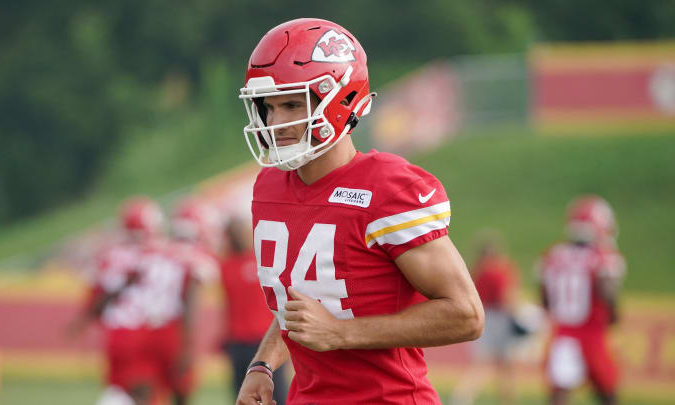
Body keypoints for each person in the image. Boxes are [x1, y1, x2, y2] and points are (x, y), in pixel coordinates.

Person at [236, 18, 484, 405]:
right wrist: (263, 365)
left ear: (339, 101)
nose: (275, 123)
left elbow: (466, 314)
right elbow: (302, 298)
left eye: (290, 104)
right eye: (268, 107)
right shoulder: (269, 188)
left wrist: (340, 333)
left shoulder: (387, 188)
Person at [69, 197, 201, 405]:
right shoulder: (177, 253)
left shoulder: (114, 255)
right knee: (172, 390)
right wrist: (188, 343)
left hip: (128, 331)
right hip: (166, 328)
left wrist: (81, 322)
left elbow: (98, 302)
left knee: (129, 392)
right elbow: (191, 292)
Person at [538, 195, 625, 405]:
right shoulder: (602, 256)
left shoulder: (553, 254)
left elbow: (545, 296)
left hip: (563, 332)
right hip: (591, 332)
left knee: (559, 393)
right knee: (607, 391)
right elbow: (606, 290)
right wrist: (613, 314)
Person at [219, 215, 289, 404]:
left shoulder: (262, 261)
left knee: (277, 395)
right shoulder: (224, 265)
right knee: (243, 395)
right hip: (238, 341)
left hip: (265, 340)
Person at [450, 232, 521, 405]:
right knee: (501, 363)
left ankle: (464, 396)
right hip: (499, 318)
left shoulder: (478, 271)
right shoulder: (499, 271)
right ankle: (466, 396)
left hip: (484, 315)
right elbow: (506, 298)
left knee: (493, 363)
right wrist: (517, 318)